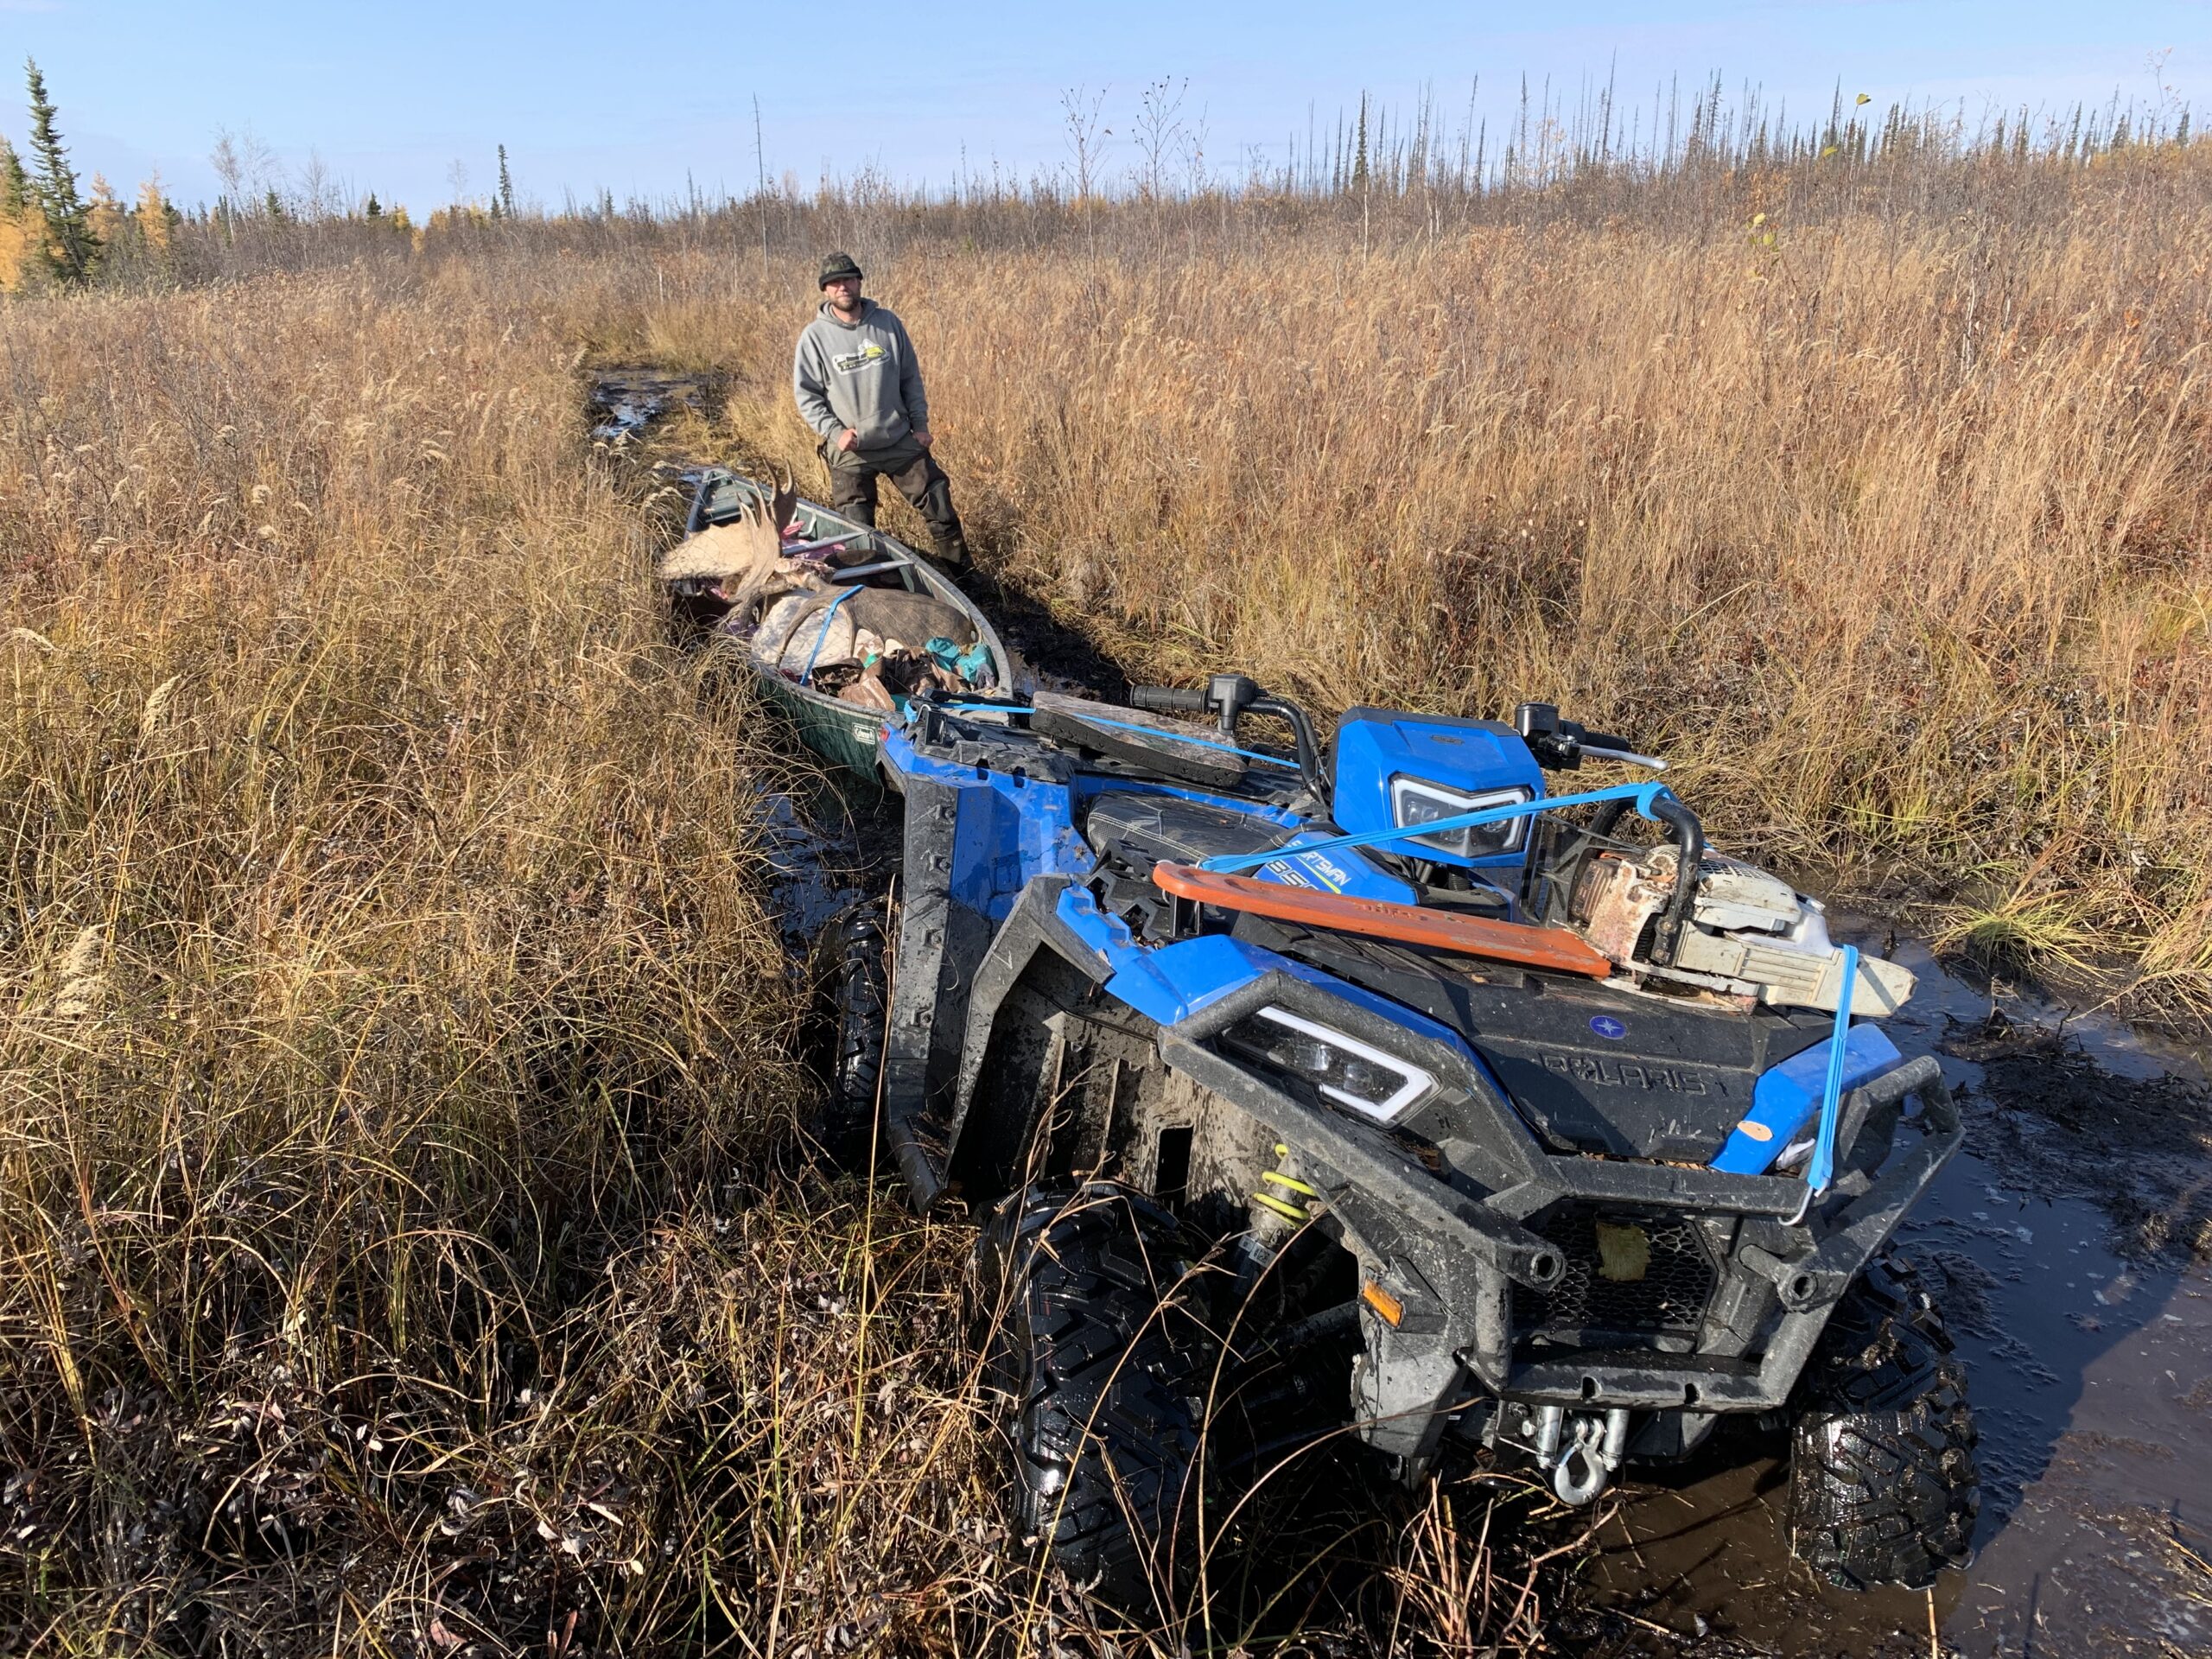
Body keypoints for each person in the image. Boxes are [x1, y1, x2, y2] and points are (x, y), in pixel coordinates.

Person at [792, 252, 971, 572]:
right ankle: (869, 587)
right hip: (852, 448)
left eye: (848, 279)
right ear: (825, 291)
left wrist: (920, 424)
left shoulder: (887, 323)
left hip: (898, 438)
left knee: (939, 505)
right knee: (856, 530)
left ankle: (965, 578)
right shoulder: (814, 338)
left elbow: (910, 378)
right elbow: (807, 397)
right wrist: (836, 432)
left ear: (859, 282)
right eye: (834, 283)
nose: (842, 287)